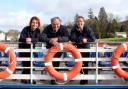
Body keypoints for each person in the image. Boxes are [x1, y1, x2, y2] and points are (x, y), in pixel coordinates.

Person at [41, 17, 69, 84]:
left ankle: (54, 78)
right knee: (49, 63)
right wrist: (50, 40)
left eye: (57, 24)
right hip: (49, 49)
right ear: (51, 23)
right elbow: (42, 37)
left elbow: (67, 37)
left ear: (60, 23)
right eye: (54, 24)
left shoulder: (63, 28)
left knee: (56, 63)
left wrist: (58, 39)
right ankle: (51, 77)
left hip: (59, 49)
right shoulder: (47, 28)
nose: (56, 26)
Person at [70, 16, 95, 85]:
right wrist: (82, 39)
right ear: (76, 22)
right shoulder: (74, 29)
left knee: (85, 64)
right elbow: (72, 38)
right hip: (77, 50)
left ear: (84, 22)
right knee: (78, 63)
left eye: (81, 21)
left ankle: (84, 79)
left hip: (86, 49)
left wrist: (86, 40)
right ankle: (81, 77)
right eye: (78, 21)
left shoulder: (87, 29)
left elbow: (93, 38)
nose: (79, 22)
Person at [19, 16, 42, 84]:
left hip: (32, 49)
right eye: (33, 22)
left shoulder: (38, 30)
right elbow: (21, 38)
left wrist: (31, 39)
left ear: (38, 24)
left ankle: (27, 78)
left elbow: (38, 38)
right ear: (30, 23)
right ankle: (26, 78)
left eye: (36, 23)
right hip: (24, 49)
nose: (35, 24)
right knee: (26, 64)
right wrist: (25, 39)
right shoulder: (25, 29)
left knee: (30, 64)